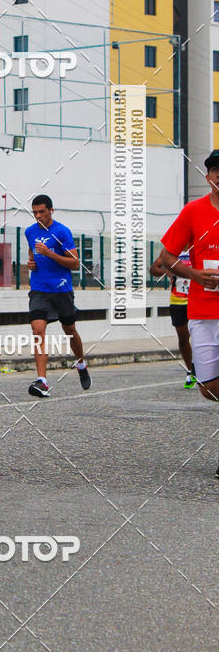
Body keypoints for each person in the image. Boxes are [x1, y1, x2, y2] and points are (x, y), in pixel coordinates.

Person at [161, 149, 219, 477]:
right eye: (216, 172)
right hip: (202, 310)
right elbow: (166, 257)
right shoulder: (193, 212)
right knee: (208, 388)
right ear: (209, 177)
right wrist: (195, 274)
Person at [24, 195, 91, 397]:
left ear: (51, 210)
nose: (38, 216)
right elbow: (31, 252)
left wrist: (50, 254)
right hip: (39, 288)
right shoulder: (30, 232)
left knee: (70, 330)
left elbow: (75, 263)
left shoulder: (62, 232)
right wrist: (31, 263)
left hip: (61, 289)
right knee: (38, 330)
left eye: (41, 212)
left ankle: (81, 363)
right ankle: (42, 381)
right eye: (35, 212)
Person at [150, 249, 196, 388]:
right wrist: (166, 271)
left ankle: (203, 369)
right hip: (177, 301)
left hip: (197, 300)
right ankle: (190, 372)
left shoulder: (198, 246)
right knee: (183, 338)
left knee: (200, 337)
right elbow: (153, 269)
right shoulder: (172, 249)